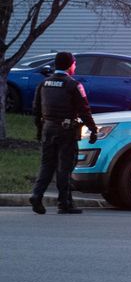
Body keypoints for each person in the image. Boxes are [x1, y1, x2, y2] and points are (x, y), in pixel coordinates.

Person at [29, 52, 98, 215]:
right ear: (69, 65)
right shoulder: (73, 85)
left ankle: (36, 195)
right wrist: (93, 129)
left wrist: (40, 130)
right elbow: (84, 110)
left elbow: (36, 109)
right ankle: (64, 203)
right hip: (66, 131)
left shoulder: (44, 84)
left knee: (47, 165)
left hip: (48, 129)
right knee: (64, 167)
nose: (75, 66)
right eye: (74, 64)